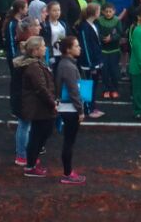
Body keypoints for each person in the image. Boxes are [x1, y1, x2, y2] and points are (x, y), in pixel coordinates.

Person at [18, 36, 57, 177]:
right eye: (42, 46)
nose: (45, 48)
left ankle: (31, 163)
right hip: (40, 107)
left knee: (38, 134)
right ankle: (31, 166)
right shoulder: (34, 67)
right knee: (39, 135)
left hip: (39, 106)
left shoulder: (36, 64)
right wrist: (52, 103)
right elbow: (41, 88)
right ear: (35, 51)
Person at [53, 36, 87, 184]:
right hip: (70, 110)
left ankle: (68, 172)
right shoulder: (68, 66)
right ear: (68, 49)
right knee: (69, 142)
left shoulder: (66, 64)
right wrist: (80, 110)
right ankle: (68, 174)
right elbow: (74, 91)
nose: (79, 48)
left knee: (69, 141)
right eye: (76, 46)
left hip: (68, 108)